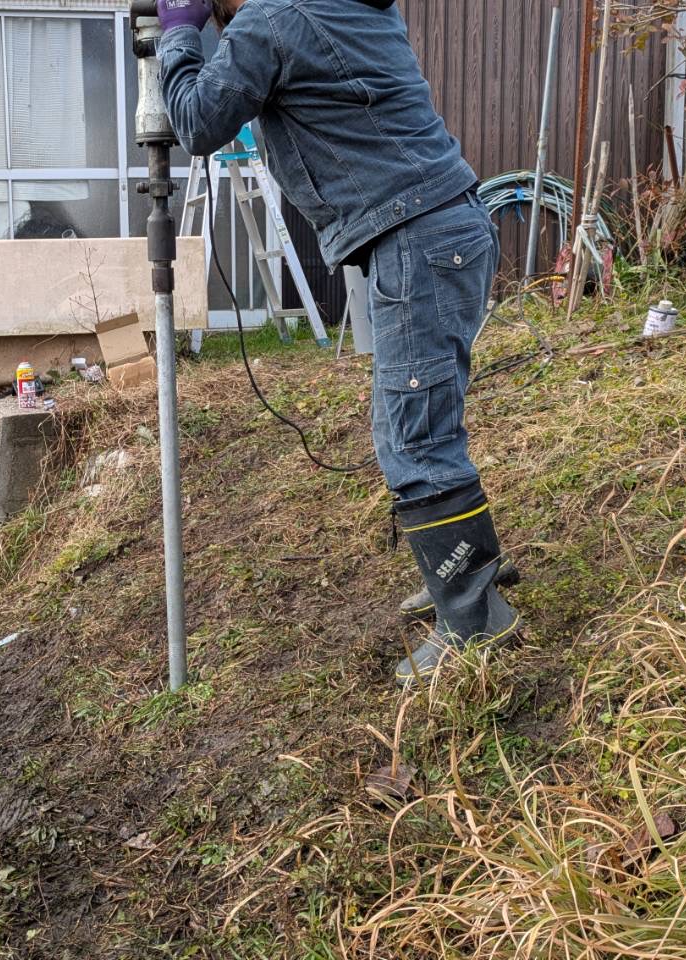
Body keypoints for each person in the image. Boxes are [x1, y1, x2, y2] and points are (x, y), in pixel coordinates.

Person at [156, 0, 520, 684]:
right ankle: (468, 570)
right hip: (442, 231)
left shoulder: (273, 19)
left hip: (419, 239)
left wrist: (179, 33)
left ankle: (475, 619)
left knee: (415, 437)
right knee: (411, 424)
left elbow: (199, 121)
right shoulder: (343, 7)